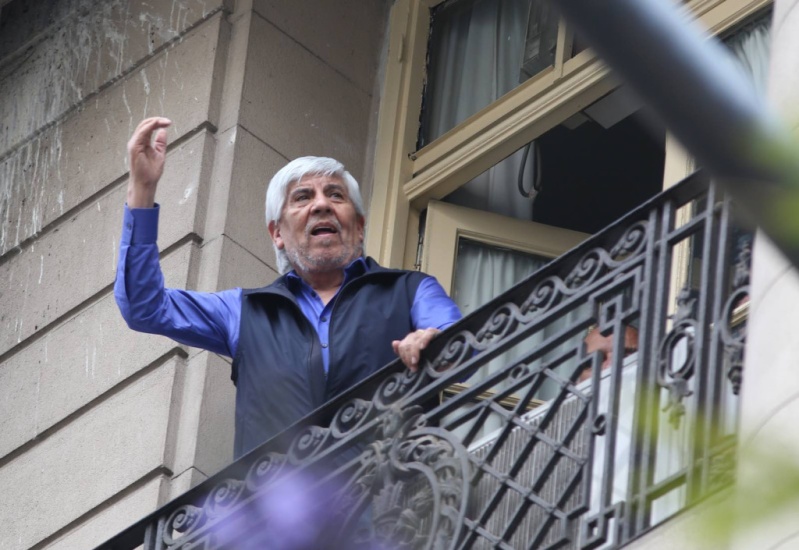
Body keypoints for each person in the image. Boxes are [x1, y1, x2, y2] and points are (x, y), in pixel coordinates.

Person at [115, 117, 462, 457]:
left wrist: (434, 341)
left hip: (394, 490)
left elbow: (464, 344)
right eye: (302, 197)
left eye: (335, 195)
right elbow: (145, 307)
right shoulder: (245, 312)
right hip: (279, 496)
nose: (321, 204)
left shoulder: (411, 290)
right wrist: (141, 191)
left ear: (358, 227)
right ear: (277, 233)